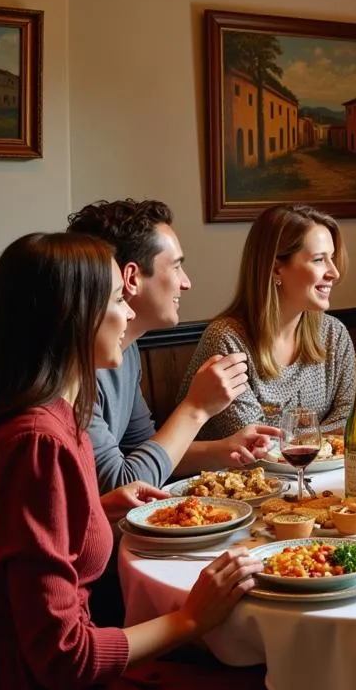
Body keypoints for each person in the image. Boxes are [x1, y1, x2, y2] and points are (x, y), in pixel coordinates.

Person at [0, 232, 289, 690]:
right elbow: (65, 656)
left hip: (29, 682)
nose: (129, 311)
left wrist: (97, 510)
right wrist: (190, 619)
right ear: (72, 318)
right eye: (116, 300)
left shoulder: (40, 414)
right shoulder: (37, 441)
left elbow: (12, 545)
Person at [68, 199, 274, 492]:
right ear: (132, 278)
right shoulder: (72, 371)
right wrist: (196, 408)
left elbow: (145, 452)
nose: (186, 283)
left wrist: (223, 450)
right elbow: (122, 483)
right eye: (176, 267)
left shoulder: (127, 352)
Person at [182, 203, 355, 439]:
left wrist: (311, 442)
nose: (334, 272)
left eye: (332, 258)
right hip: (236, 475)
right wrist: (323, 439)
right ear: (276, 269)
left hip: (319, 474)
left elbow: (351, 420)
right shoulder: (226, 340)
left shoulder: (334, 334)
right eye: (318, 260)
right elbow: (256, 443)